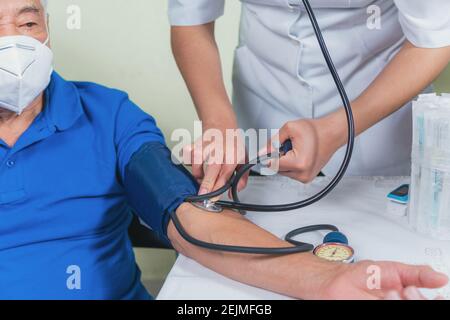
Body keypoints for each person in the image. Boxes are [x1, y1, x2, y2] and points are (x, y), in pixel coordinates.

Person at [0, 0, 447, 300]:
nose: (14, 46)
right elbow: (191, 21)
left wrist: (328, 278)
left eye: (27, 23)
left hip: (377, 115)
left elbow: (190, 218)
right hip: (266, 101)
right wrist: (219, 125)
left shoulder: (108, 114)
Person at [169, 0, 450, 195]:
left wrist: (339, 128)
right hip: (260, 113)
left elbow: (434, 40)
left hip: (376, 124)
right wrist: (218, 122)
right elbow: (190, 21)